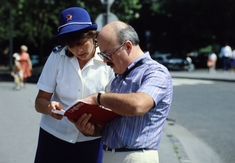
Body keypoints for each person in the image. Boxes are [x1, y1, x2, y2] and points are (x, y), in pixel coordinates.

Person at [74, 21, 173, 163]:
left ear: (127, 46)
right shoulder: (117, 79)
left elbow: (138, 105)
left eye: (107, 55)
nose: (105, 62)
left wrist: (98, 98)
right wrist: (92, 130)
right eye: (102, 55)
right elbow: (111, 126)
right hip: (109, 154)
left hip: (136, 156)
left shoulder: (156, 72)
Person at [34, 7, 115, 163]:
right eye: (71, 45)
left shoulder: (108, 59)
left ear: (92, 35)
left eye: (81, 43)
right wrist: (49, 108)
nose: (78, 50)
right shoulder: (58, 56)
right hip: (54, 136)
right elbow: (39, 102)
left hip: (92, 139)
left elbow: (114, 103)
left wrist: (96, 127)